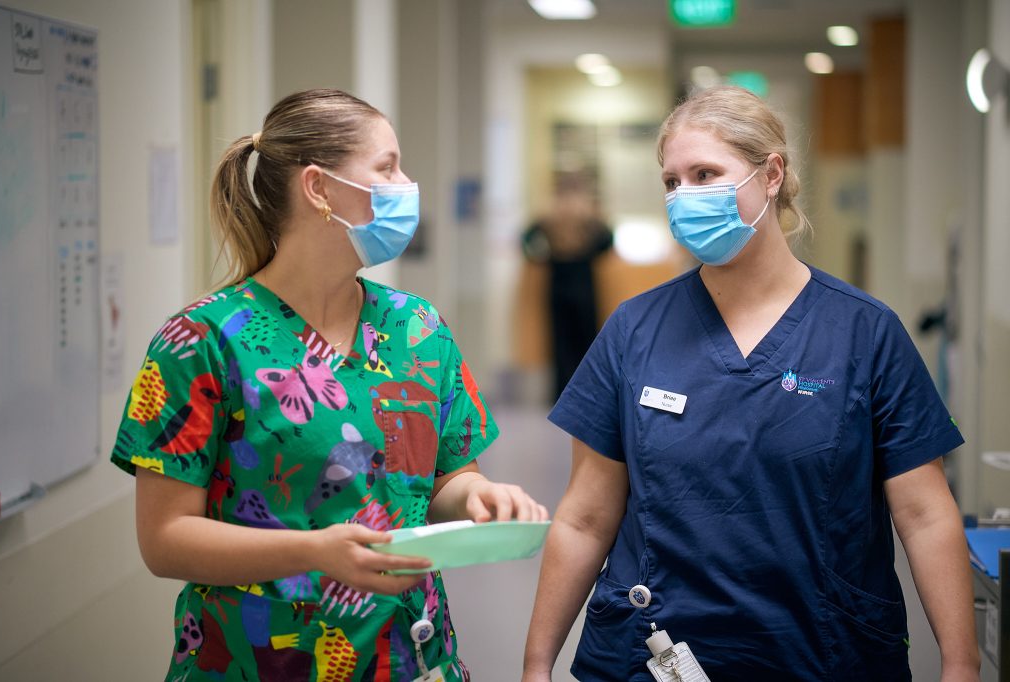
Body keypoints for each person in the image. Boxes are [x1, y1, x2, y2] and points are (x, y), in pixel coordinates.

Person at [522, 85, 980, 682]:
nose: (685, 196)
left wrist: (961, 663)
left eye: (706, 174)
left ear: (771, 175)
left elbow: (925, 514)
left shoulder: (864, 332)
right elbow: (585, 516)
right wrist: (536, 665)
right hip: (655, 653)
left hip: (819, 652)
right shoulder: (634, 331)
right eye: (672, 182)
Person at [111, 88, 548, 681]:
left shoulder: (418, 328)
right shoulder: (200, 341)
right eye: (387, 167)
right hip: (259, 661)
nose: (406, 185)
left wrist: (478, 497)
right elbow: (165, 540)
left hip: (412, 658)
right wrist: (314, 552)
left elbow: (446, 477)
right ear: (318, 188)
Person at [520, 174, 614, 402]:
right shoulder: (588, 216)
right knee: (586, 339)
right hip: (583, 279)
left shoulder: (550, 216)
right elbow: (608, 240)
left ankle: (562, 394)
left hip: (559, 279)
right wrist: (591, 253)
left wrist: (542, 257)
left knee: (561, 341)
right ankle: (587, 392)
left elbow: (526, 240)